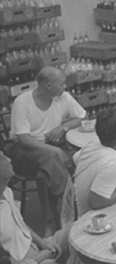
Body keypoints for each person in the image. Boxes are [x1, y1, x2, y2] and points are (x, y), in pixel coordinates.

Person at [8, 67, 86, 236]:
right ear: (49, 86)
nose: (65, 86)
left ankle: (51, 221)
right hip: (24, 151)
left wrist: (63, 127)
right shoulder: (23, 102)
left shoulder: (62, 97)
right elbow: (24, 139)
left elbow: (81, 116)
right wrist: (55, 150)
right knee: (50, 157)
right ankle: (72, 206)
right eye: (62, 83)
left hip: (51, 150)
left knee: (44, 173)